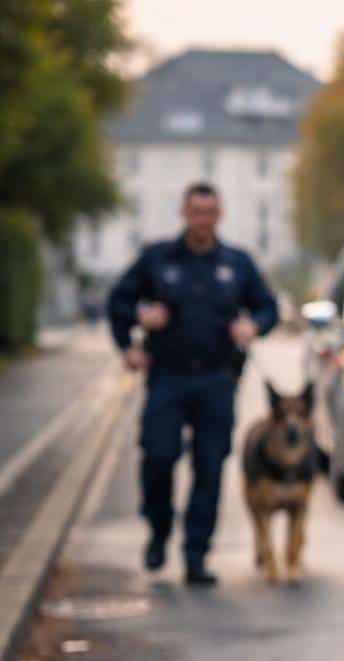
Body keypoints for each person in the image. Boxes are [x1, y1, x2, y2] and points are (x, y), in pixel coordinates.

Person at [108, 181, 278, 586]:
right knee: (158, 457)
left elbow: (268, 308)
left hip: (217, 380)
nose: (203, 220)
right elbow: (119, 302)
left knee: (209, 466)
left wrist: (253, 325)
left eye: (210, 212)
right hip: (167, 377)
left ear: (219, 215)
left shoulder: (237, 263)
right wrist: (131, 338)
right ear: (185, 213)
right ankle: (159, 529)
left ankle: (196, 555)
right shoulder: (157, 259)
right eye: (197, 212)